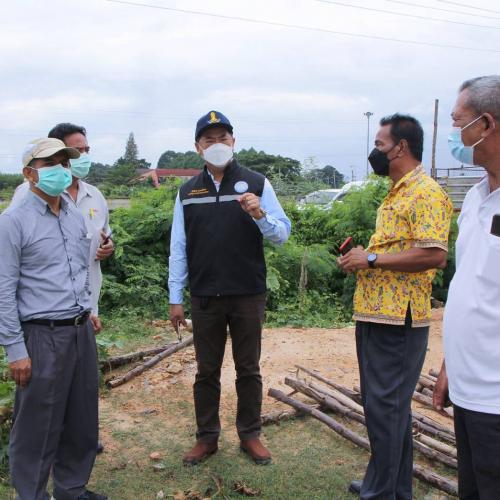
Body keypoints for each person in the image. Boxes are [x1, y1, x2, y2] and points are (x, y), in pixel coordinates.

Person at [338, 114, 453, 499]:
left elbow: (434, 254)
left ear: (401, 147)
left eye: (380, 145)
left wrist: (371, 260)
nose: (375, 152)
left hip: (398, 320)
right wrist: (361, 259)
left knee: (385, 408)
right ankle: (390, 487)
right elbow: (394, 250)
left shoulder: (425, 192)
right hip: (376, 312)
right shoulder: (397, 191)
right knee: (385, 408)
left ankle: (382, 492)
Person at [168, 111, 291, 466]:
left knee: (248, 368)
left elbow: (282, 234)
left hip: (247, 294)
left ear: (234, 142)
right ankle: (206, 438)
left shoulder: (257, 183)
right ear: (198, 147)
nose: (217, 144)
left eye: (223, 138)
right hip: (205, 296)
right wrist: (175, 297)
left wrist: (259, 215)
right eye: (209, 140)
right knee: (206, 371)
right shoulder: (187, 191)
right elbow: (179, 247)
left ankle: (250, 434)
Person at [0, 138, 106, 500]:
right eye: (50, 164)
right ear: (29, 174)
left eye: (64, 162)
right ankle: (31, 494)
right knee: (37, 425)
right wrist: (15, 349)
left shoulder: (74, 215)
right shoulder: (13, 221)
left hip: (79, 330)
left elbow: (80, 268)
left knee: (81, 418)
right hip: (42, 335)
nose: (61, 170)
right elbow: (4, 289)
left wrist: (88, 309)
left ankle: (71, 489)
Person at [433, 75, 500, 500]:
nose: (454, 135)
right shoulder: (475, 198)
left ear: (486, 124)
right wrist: (451, 365)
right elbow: (472, 288)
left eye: (459, 123)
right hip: (469, 387)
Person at [12, 123, 114, 328]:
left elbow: (104, 235)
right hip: (44, 319)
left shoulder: (95, 195)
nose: (84, 156)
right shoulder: (26, 194)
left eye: (86, 150)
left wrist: (108, 247)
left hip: (84, 307)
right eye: (78, 150)